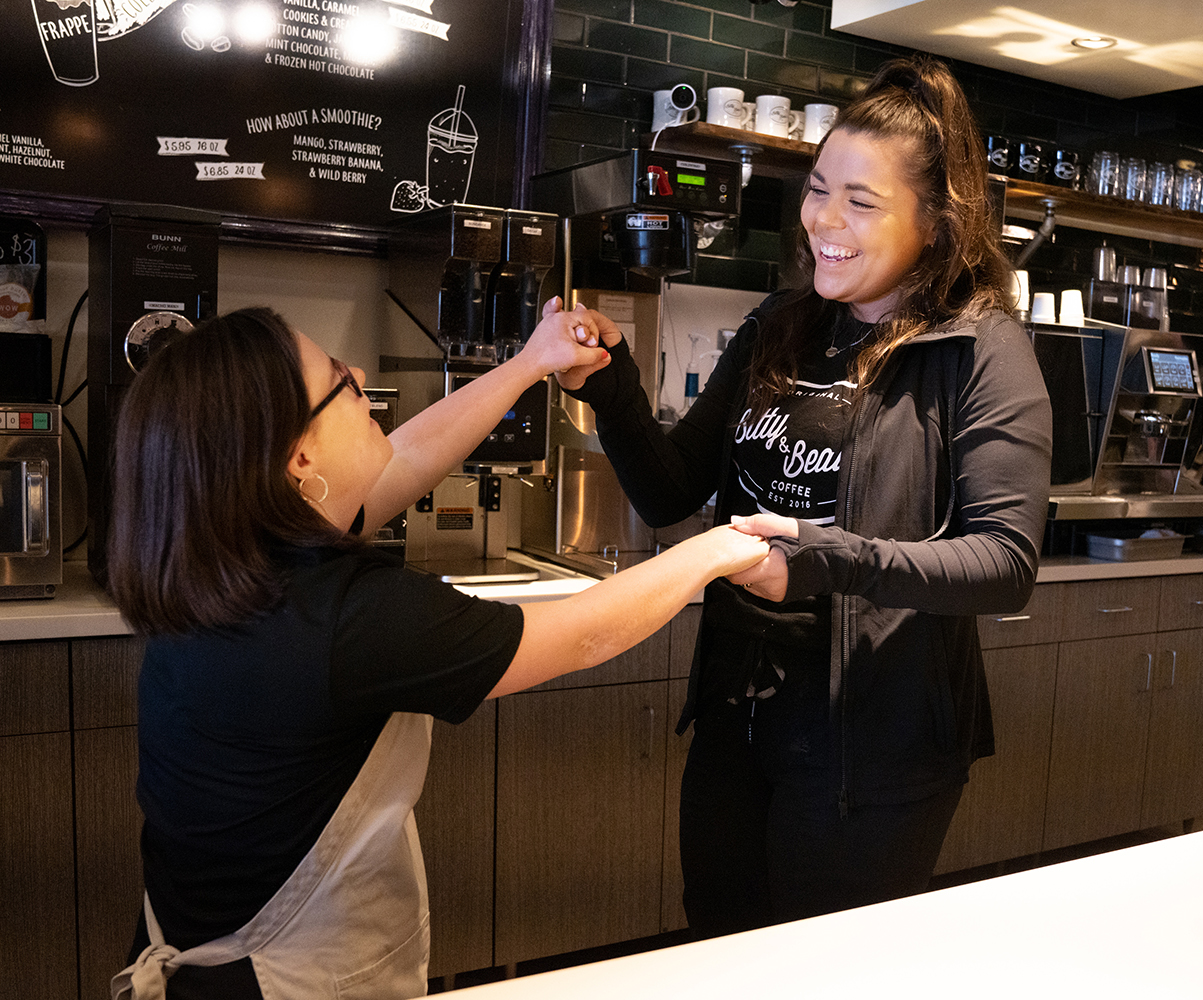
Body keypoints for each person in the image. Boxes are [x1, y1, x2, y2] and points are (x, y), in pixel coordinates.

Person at [106, 306, 769, 1000]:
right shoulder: (350, 618)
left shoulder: (224, 561)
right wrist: (724, 547)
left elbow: (413, 455)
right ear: (300, 456)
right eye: (340, 383)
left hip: (184, 951)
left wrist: (532, 360)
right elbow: (581, 635)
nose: (360, 375)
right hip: (283, 981)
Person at [556, 55, 1052, 936]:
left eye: (862, 203)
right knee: (717, 941)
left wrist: (830, 561)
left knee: (823, 970)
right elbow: (672, 489)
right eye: (819, 189)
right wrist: (610, 384)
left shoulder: (980, 348)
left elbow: (1004, 565)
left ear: (935, 224)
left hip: (871, 748)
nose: (824, 220)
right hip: (736, 725)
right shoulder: (778, 328)